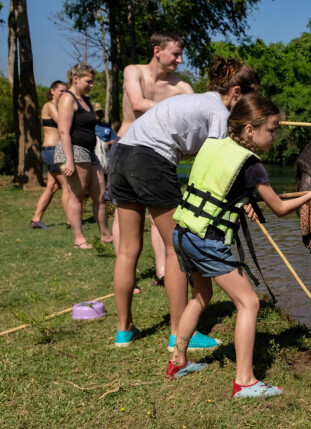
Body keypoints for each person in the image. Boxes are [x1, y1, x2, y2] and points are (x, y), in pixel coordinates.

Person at [165, 94, 311, 398]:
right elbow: (280, 208)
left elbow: (219, 187)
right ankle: (245, 382)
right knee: (249, 303)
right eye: (272, 129)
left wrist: (242, 204)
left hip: (183, 233)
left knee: (201, 295)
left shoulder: (214, 145)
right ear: (250, 130)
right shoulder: (251, 165)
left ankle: (178, 361)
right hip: (206, 240)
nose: (275, 136)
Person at [109, 55, 261, 349]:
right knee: (174, 247)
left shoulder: (199, 101)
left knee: (128, 249)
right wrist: (246, 198)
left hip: (122, 153)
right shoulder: (219, 111)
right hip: (150, 160)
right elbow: (222, 163)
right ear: (236, 93)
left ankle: (124, 330)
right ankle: (180, 335)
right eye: (250, 98)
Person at [112, 31, 194, 288]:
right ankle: (129, 278)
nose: (180, 61)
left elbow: (194, 118)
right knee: (123, 219)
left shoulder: (181, 87)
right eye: (175, 54)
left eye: (181, 54)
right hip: (124, 148)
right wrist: (176, 109)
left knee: (160, 217)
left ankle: (163, 270)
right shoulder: (133, 71)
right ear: (157, 51)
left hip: (159, 155)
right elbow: (137, 104)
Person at [55, 63, 112, 249]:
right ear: (76, 78)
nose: (92, 85)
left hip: (90, 151)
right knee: (77, 194)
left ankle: (106, 235)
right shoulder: (67, 99)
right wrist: (69, 160)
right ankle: (79, 239)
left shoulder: (85, 101)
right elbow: (63, 131)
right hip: (73, 150)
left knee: (100, 194)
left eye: (93, 81)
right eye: (88, 81)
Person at [30, 80, 68, 229]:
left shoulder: (60, 107)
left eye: (66, 91)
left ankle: (36, 220)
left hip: (57, 150)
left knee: (52, 187)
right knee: (67, 186)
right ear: (52, 91)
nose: (64, 94)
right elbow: (62, 122)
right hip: (51, 151)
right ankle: (71, 221)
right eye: (61, 91)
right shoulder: (49, 106)